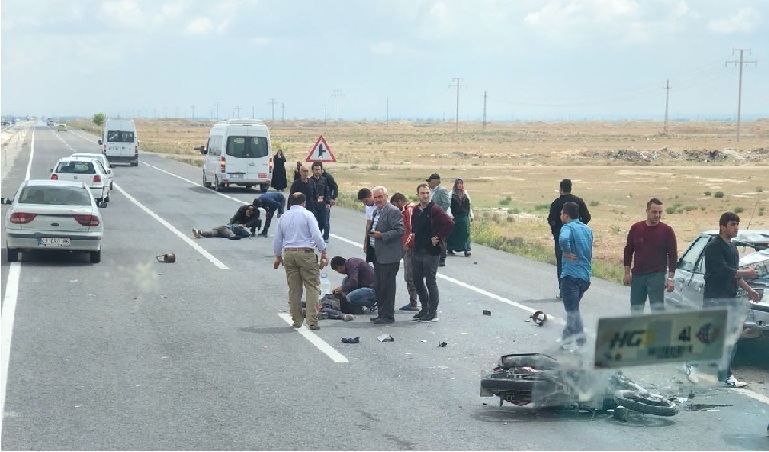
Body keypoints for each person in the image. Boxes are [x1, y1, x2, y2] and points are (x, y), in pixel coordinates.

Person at [701, 212, 760, 387]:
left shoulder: (732, 248)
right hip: (714, 299)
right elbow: (724, 271)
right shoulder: (713, 247)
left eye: (737, 224)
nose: (736, 228)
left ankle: (725, 375)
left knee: (731, 338)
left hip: (730, 298)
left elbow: (734, 275)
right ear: (723, 226)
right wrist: (747, 273)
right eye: (732, 224)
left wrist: (750, 290)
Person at [272, 192, 328, 331]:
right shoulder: (307, 215)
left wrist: (278, 256)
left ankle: (296, 320)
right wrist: (323, 250)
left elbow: (277, 238)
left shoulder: (284, 216)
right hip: (306, 253)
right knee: (312, 286)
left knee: (294, 288)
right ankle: (312, 320)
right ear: (304, 202)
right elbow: (316, 234)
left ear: (291, 202)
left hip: (289, 253)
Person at [623, 198, 678, 314]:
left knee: (657, 311)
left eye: (660, 212)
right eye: (654, 212)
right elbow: (628, 251)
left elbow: (673, 255)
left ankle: (658, 332)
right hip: (638, 276)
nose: (657, 215)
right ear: (647, 211)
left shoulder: (667, 231)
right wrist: (627, 273)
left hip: (657, 276)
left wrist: (670, 279)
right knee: (636, 310)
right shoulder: (636, 228)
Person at [410, 183, 454, 322]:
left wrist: (439, 237)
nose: (425, 195)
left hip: (431, 251)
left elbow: (449, 223)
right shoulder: (416, 210)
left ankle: (432, 311)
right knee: (417, 280)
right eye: (422, 193)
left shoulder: (435, 209)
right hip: (418, 250)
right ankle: (424, 307)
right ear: (418, 195)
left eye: (427, 193)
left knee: (430, 281)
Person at [548, 179, 591, 298]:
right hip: (578, 239)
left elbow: (551, 220)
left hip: (561, 240)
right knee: (579, 262)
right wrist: (579, 226)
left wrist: (556, 229)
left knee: (562, 265)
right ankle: (578, 290)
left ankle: (564, 292)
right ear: (570, 188)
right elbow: (587, 217)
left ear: (561, 189)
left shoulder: (557, 203)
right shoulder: (578, 201)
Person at [368, 186, 405, 324]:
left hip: (389, 256)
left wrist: (382, 235)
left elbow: (400, 230)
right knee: (379, 286)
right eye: (376, 197)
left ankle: (388, 316)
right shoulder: (377, 211)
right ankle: (381, 313)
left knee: (387, 287)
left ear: (386, 197)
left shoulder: (392, 211)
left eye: (380, 197)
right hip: (378, 255)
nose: (378, 200)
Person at [558, 201, 593, 346]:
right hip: (585, 277)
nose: (560, 216)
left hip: (570, 275)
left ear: (566, 215)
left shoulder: (567, 227)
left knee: (572, 311)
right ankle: (565, 341)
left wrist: (566, 252)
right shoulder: (587, 229)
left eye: (561, 214)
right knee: (573, 309)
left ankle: (581, 343)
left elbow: (563, 239)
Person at [391, 193, 419, 311]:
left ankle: (414, 302)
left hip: (411, 247)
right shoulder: (406, 210)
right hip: (408, 245)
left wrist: (407, 244)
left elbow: (412, 229)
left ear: (399, 201)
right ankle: (413, 301)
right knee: (410, 275)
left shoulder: (409, 210)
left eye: (395, 204)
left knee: (410, 275)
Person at [192, 204, 260, 239]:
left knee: (212, 233)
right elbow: (235, 217)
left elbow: (253, 221)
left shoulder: (256, 212)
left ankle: (198, 232)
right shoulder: (242, 209)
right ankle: (199, 232)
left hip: (222, 229)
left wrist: (244, 226)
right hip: (226, 228)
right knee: (231, 235)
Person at [426, 173, 451, 266]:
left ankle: (442, 258)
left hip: (440, 218)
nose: (428, 184)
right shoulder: (431, 191)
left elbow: (446, 203)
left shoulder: (442, 191)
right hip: (431, 217)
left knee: (441, 237)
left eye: (430, 182)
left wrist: (439, 213)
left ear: (434, 182)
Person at [446, 177, 473, 257]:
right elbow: (448, 206)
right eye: (458, 183)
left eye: (461, 183)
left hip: (464, 216)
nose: (459, 185)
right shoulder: (451, 194)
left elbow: (469, 206)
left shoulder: (465, 194)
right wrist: (450, 215)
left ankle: (466, 249)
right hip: (454, 216)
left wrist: (471, 215)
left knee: (465, 232)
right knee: (452, 233)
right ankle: (450, 248)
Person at [309, 161, 331, 240]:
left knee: (324, 221)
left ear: (321, 170)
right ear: (313, 170)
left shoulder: (324, 180)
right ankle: (315, 236)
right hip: (313, 204)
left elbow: (327, 191)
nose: (317, 171)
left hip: (323, 203)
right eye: (316, 169)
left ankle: (324, 237)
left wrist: (328, 202)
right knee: (314, 221)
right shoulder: (310, 181)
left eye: (319, 169)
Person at [358, 188, 378, 264]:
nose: (365, 204)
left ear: (371, 195)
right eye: (363, 202)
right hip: (372, 237)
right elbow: (368, 224)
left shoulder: (381, 204)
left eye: (366, 201)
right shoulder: (368, 207)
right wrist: (366, 241)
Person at [320, 163, 338, 242]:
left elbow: (335, 187)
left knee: (325, 219)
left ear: (322, 169)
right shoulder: (313, 179)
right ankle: (318, 236)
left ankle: (326, 237)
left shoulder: (327, 177)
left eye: (318, 169)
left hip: (326, 201)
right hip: (316, 202)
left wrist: (333, 198)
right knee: (317, 219)